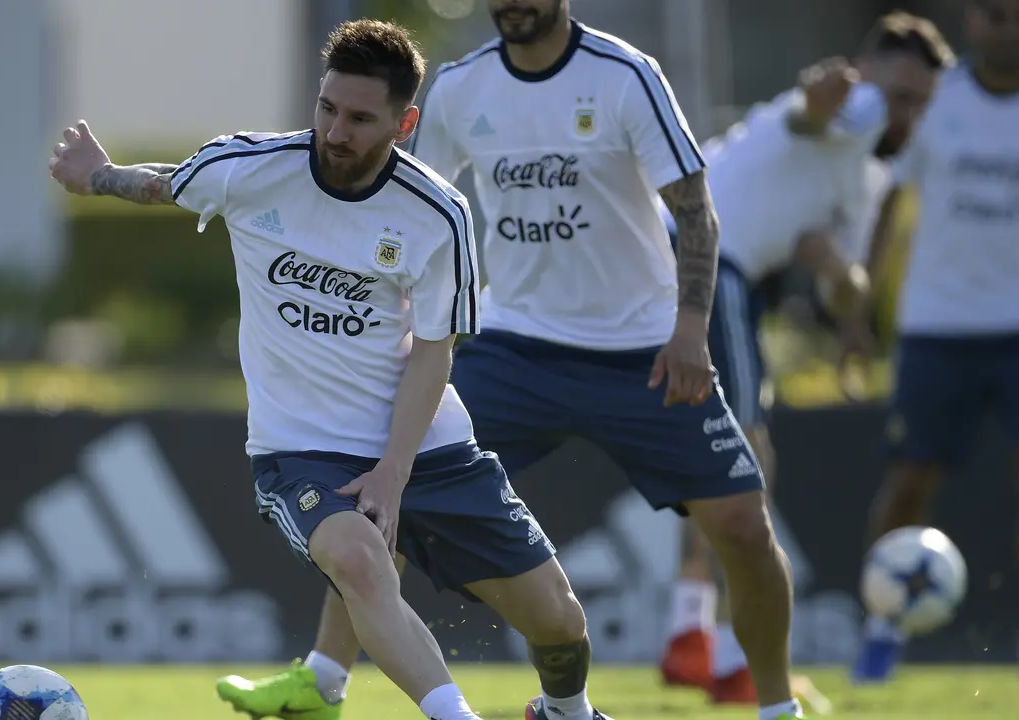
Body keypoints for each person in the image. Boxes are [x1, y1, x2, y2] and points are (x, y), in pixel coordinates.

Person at [218, 2, 808, 719]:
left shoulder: (626, 76)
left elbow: (695, 209)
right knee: (383, 480)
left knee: (745, 524)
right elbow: (393, 197)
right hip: (514, 345)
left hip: (643, 352)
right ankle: (323, 681)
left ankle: (777, 707)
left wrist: (691, 328)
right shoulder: (463, 88)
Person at [48, 19, 620, 720]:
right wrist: (98, 175)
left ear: (403, 123)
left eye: (359, 118)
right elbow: (166, 186)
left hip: (428, 447)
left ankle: (566, 714)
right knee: (358, 564)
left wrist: (394, 471)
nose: (335, 132)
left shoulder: (438, 214)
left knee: (560, 624)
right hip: (303, 450)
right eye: (327, 109)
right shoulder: (251, 168)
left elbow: (435, 350)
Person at [658, 13, 955, 704]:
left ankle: (689, 636)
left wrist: (833, 268)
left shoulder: (866, 175)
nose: (903, 112)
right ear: (865, 74)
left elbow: (846, 287)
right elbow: (813, 115)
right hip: (704, 261)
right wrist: (824, 97)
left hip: (705, 266)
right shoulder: (850, 109)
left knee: (716, 458)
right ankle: (734, 661)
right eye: (897, 94)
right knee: (745, 461)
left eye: (920, 102)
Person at [850, 0, 1019, 689]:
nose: (1010, 29)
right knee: (908, 482)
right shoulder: (936, 101)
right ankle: (880, 631)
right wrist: (857, 310)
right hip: (935, 326)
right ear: (973, 22)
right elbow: (886, 204)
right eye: (997, 16)